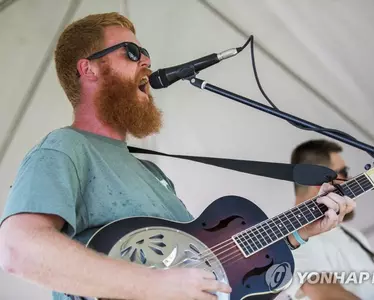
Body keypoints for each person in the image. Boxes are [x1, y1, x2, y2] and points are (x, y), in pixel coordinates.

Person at [0, 12, 355, 300]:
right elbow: (20, 250)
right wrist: (153, 286)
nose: (148, 62)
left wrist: (297, 231)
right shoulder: (64, 147)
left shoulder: (152, 173)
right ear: (88, 69)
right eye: (132, 52)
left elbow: (213, 262)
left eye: (146, 53)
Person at [285, 139, 374, 300]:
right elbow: (326, 294)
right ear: (319, 180)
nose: (351, 178)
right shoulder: (290, 239)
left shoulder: (351, 233)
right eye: (344, 172)